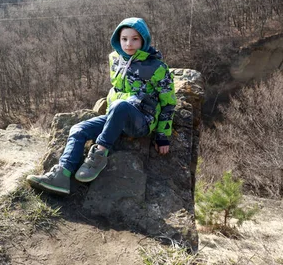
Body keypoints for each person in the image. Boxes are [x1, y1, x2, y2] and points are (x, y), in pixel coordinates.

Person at [27, 17, 176, 195]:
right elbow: (117, 88)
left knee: (120, 106)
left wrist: (162, 136)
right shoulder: (115, 59)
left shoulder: (157, 67)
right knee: (78, 129)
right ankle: (61, 175)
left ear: (144, 40)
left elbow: (168, 102)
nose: (129, 44)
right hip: (116, 116)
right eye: (124, 38)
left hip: (141, 120)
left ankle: (98, 155)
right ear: (118, 39)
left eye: (135, 39)